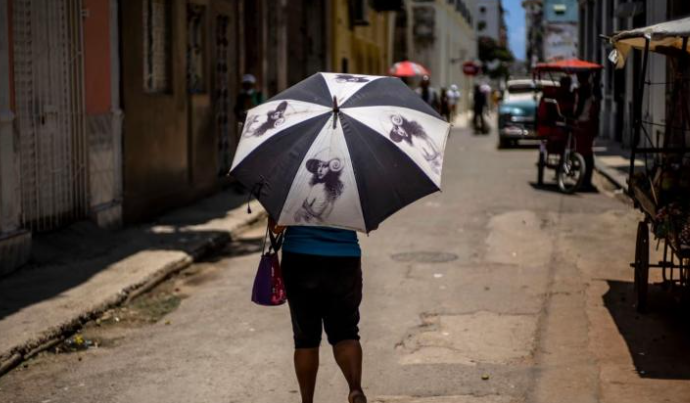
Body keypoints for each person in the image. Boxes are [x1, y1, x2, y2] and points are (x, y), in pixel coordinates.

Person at [269, 218, 366, 403]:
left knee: (305, 339)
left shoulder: (291, 188)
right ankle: (355, 389)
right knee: (346, 332)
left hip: (299, 258)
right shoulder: (354, 187)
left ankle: (307, 401)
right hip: (345, 258)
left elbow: (276, 227)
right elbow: (368, 223)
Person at [574, 72, 600, 190]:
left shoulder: (584, 90)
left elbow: (579, 109)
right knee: (587, 153)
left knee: (584, 153)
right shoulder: (591, 89)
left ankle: (585, 180)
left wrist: (573, 116)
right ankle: (586, 180)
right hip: (589, 124)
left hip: (584, 123)